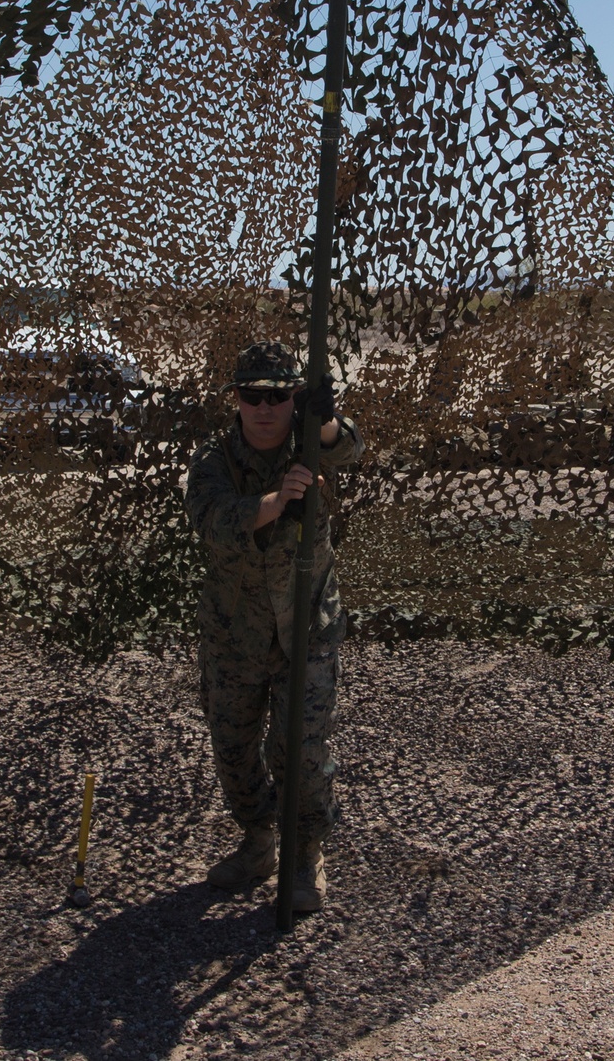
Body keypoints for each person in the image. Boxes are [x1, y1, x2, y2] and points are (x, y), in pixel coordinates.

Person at [184, 340, 363, 913]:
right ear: (235, 400)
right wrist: (273, 500)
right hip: (234, 633)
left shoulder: (309, 444)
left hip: (305, 631)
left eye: (279, 396)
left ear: (294, 400)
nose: (265, 408)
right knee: (233, 748)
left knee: (302, 751)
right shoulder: (214, 458)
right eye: (252, 396)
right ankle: (260, 841)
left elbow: (349, 449)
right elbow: (210, 520)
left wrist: (327, 422)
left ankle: (305, 853)